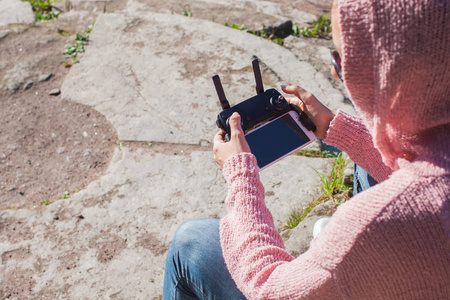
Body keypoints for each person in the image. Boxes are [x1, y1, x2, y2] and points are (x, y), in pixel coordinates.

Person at [163, 0, 450, 298]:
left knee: (191, 241)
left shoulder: (372, 225)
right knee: (376, 153)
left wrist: (240, 176)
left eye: (340, 60)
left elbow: (270, 288)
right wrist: (338, 130)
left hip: (380, 265)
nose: (335, 72)